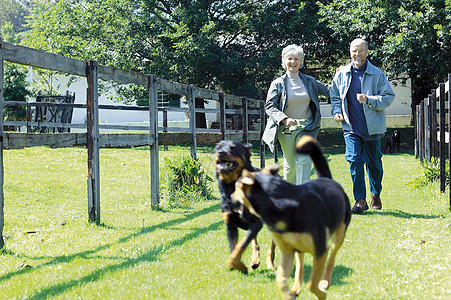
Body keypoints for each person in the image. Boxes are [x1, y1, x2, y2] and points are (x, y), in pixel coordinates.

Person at [330, 38, 395, 214]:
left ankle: (375, 194)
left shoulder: (377, 74)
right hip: (350, 127)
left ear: (367, 52)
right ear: (350, 52)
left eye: (360, 51)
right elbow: (334, 95)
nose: (357, 54)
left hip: (373, 128)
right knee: (354, 161)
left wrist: (369, 100)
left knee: (374, 164)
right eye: (354, 51)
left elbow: (388, 96)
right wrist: (336, 111)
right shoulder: (342, 73)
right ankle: (360, 200)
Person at [262, 44, 329, 185]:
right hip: (287, 130)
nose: (293, 62)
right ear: (284, 61)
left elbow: (330, 90)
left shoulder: (310, 81)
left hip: (308, 127)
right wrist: (284, 119)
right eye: (290, 59)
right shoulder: (278, 83)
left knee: (304, 160)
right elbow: (269, 106)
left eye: (296, 59)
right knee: (291, 165)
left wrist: (341, 76)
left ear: (301, 61)